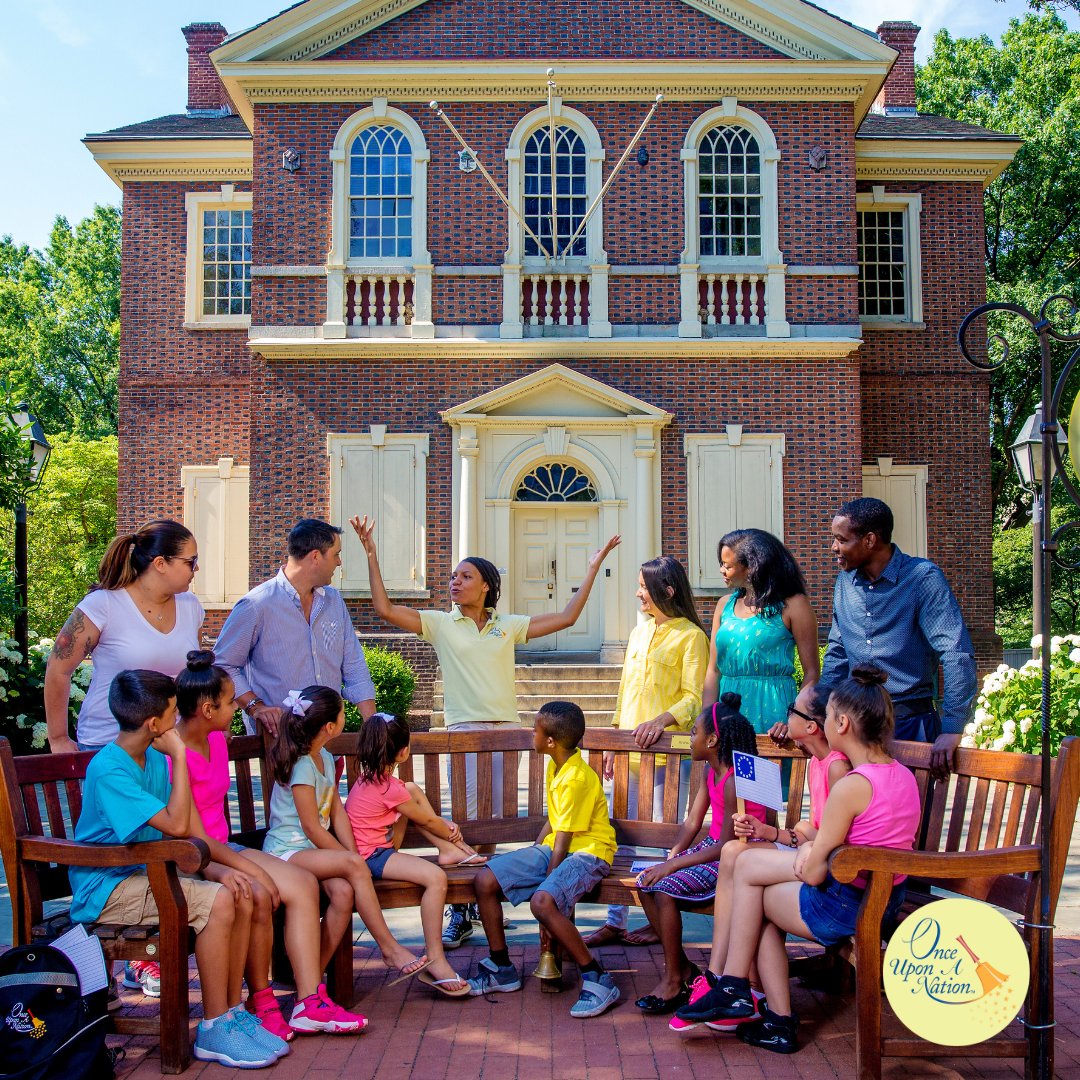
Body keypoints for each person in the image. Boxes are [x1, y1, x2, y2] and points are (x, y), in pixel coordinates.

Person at [351, 514, 620, 949]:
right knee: (471, 824)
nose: (455, 582)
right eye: (453, 577)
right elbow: (384, 610)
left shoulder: (506, 625)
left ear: (486, 587)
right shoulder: (440, 623)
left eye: (465, 576)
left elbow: (569, 617)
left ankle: (476, 899)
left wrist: (592, 567)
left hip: (506, 736)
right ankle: (461, 910)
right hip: (464, 736)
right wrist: (372, 554)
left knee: (491, 826)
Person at [675, 666, 920, 1054]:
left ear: (840, 723)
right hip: (883, 897)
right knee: (746, 869)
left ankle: (752, 1000)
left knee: (751, 889)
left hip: (848, 904)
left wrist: (805, 850)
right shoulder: (901, 775)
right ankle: (744, 995)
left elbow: (816, 868)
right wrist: (798, 844)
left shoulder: (853, 784)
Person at [68, 670, 285, 1069]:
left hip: (150, 872)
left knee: (238, 891)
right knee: (218, 902)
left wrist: (218, 869)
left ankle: (231, 1013)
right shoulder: (111, 769)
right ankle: (214, 1026)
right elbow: (177, 825)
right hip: (106, 887)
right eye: (172, 712)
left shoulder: (150, 757)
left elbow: (182, 827)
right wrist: (181, 755)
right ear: (154, 725)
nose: (178, 718)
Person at [174, 651, 364, 1036]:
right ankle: (261, 998)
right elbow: (187, 833)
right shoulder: (171, 753)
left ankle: (308, 1002)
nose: (237, 706)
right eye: (231, 702)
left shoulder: (217, 739)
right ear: (208, 709)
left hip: (225, 847)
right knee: (260, 890)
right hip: (196, 855)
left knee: (303, 884)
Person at [671, 683, 850, 1036]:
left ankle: (730, 983)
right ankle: (720, 975)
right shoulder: (818, 762)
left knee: (742, 861)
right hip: (812, 855)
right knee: (733, 850)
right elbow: (819, 827)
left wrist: (782, 835)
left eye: (792, 711)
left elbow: (833, 839)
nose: (785, 719)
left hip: (831, 867)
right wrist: (782, 833)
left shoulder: (836, 767)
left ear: (813, 725)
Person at [262, 684, 429, 997]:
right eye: (342, 714)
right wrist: (351, 859)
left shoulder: (324, 756)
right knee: (353, 869)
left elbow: (336, 809)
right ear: (329, 727)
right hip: (288, 851)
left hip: (314, 851)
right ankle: (389, 947)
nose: (345, 717)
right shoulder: (301, 765)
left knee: (342, 892)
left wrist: (353, 854)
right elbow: (311, 827)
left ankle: (308, 987)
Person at [465, 701, 620, 1019]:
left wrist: (547, 878)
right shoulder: (557, 763)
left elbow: (564, 841)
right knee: (485, 880)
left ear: (550, 741)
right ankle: (501, 966)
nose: (531, 735)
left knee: (543, 902)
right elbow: (554, 826)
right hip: (557, 848)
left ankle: (597, 977)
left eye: (535, 730)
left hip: (589, 853)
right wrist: (534, 853)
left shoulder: (576, 778)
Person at [586, 556, 708, 950]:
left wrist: (662, 720)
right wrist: (614, 744)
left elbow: (695, 698)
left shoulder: (691, 637)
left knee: (659, 840)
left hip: (667, 759)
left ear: (667, 590)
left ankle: (659, 920)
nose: (638, 592)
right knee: (621, 837)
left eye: (643, 585)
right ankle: (615, 921)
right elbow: (624, 693)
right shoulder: (639, 634)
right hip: (628, 755)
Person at [808, 497, 977, 779]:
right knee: (861, 820)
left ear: (870, 540)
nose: (834, 548)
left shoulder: (922, 579)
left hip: (910, 726)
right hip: (853, 729)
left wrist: (952, 727)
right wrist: (821, 713)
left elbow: (955, 652)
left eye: (841, 539)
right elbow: (837, 654)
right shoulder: (844, 583)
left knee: (912, 817)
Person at [633, 695, 764, 1015]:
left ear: (712, 739)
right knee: (645, 881)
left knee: (663, 889)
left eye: (693, 732)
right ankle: (682, 969)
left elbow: (727, 844)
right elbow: (693, 821)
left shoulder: (735, 780)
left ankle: (674, 978)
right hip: (713, 849)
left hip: (734, 856)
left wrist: (674, 866)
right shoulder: (710, 771)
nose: (688, 738)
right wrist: (671, 857)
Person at [344, 713, 486, 998]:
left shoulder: (370, 781)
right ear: (404, 751)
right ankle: (436, 958)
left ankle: (447, 851)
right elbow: (430, 822)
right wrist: (450, 828)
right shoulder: (389, 789)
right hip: (372, 858)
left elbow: (413, 811)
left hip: (372, 851)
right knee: (435, 879)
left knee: (410, 788)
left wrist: (445, 831)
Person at [45, 520, 204, 755]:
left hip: (168, 747)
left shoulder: (191, 607)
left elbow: (194, 676)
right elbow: (58, 669)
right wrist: (58, 739)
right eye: (191, 562)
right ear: (160, 563)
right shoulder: (102, 605)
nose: (196, 569)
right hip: (107, 744)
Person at [214, 519, 376, 738]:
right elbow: (223, 665)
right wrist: (255, 706)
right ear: (316, 556)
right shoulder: (256, 604)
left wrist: (373, 725)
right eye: (336, 554)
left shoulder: (334, 601)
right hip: (279, 746)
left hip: (329, 745)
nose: (339, 562)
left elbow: (354, 665)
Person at [704, 529, 820, 734]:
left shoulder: (794, 605)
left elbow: (811, 673)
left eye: (728, 565)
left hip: (775, 717)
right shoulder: (723, 606)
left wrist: (795, 719)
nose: (722, 570)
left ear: (752, 568)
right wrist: (706, 721)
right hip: (727, 715)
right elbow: (713, 671)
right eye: (721, 564)